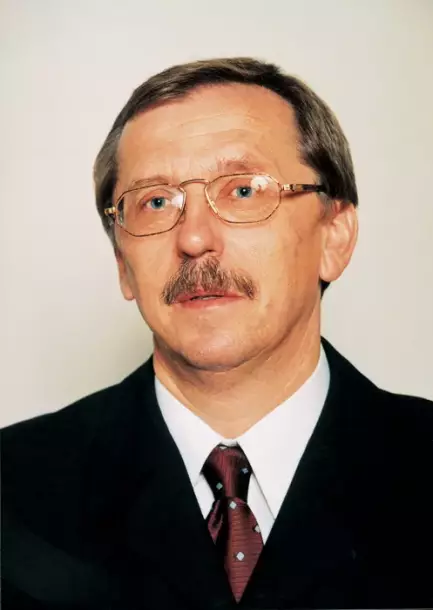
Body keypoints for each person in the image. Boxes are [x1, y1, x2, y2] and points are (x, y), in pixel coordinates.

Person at [2, 57, 432, 610]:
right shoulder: (14, 490)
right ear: (123, 265)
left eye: (244, 191)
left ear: (335, 237)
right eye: (156, 202)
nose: (194, 239)